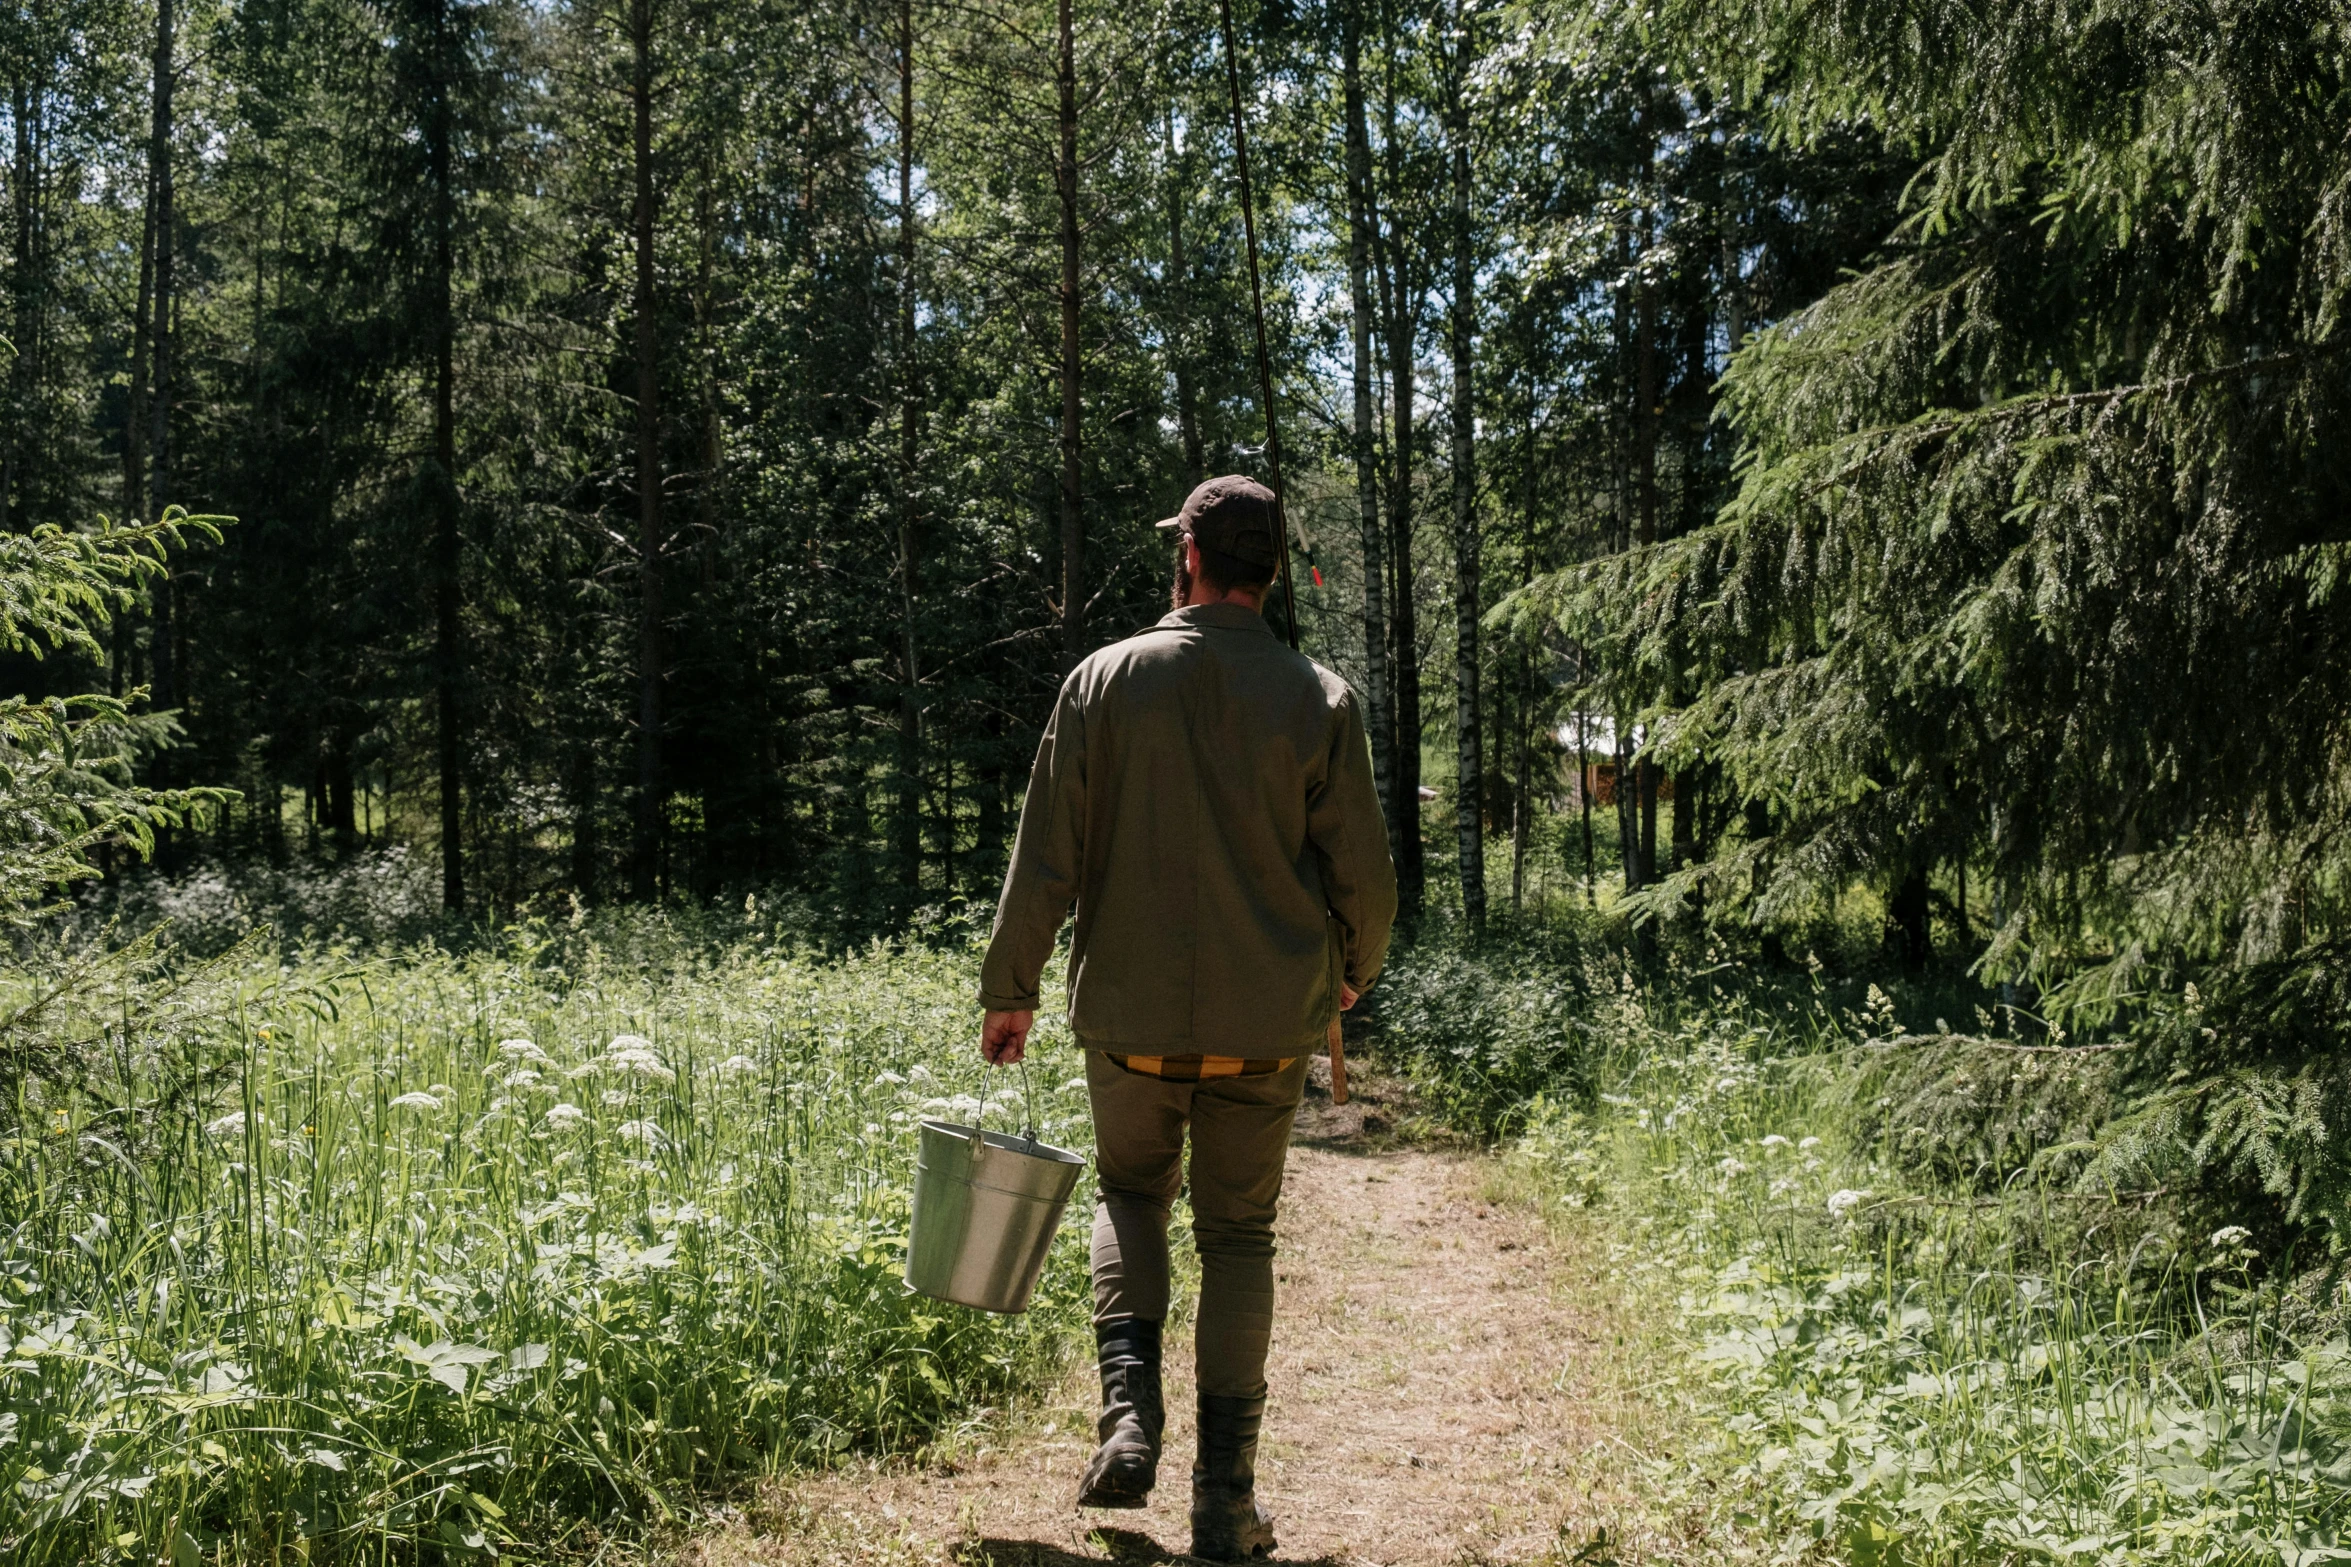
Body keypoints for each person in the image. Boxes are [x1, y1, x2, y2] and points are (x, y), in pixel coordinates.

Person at [976, 475, 1399, 1561]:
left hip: (1127, 1014)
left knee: (1129, 1191)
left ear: (1189, 559)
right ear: (1266, 570)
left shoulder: (1101, 680)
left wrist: (1010, 987)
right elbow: (1362, 867)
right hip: (1266, 1023)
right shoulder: (1321, 697)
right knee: (1238, 1234)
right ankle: (1224, 1497)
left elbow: (1046, 856)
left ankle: (1127, 1416)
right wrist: (1353, 965)